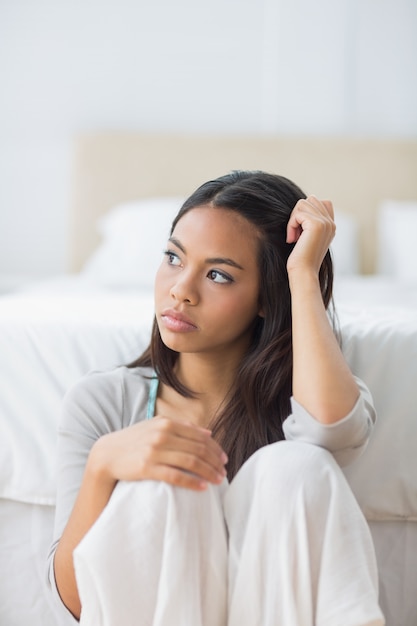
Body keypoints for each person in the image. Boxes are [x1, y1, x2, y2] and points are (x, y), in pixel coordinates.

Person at [47, 171, 385, 625]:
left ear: (267, 297)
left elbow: (331, 429)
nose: (180, 290)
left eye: (218, 275)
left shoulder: (310, 392)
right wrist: (102, 464)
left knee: (297, 465)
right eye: (173, 257)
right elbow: (71, 603)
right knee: (165, 478)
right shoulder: (104, 400)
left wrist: (303, 274)